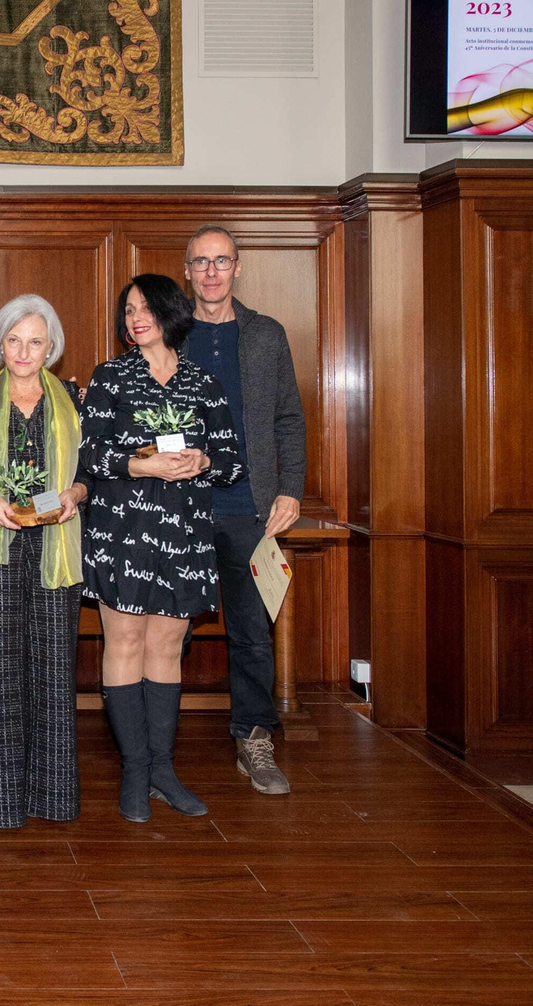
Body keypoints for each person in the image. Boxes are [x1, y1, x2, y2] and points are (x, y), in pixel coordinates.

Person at [81, 274, 244, 823]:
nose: (135, 317)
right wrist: (139, 464)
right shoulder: (110, 378)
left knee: (167, 647)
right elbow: (87, 458)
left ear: (171, 312)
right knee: (124, 640)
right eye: (128, 309)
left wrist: (204, 462)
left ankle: (163, 770)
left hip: (184, 530)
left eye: (146, 307)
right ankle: (134, 770)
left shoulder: (204, 383)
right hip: (120, 527)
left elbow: (232, 461)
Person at [0, 296, 89, 827]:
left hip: (57, 545)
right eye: (14, 340)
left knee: (55, 668)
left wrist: (75, 493)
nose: (24, 350)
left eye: (35, 341)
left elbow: (92, 471)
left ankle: (54, 797)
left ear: (50, 348)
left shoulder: (74, 399)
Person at [181, 225, 307, 795]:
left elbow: (288, 419)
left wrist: (291, 488)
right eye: (201, 262)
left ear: (238, 268)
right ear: (187, 271)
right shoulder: (167, 332)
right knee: (166, 629)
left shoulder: (265, 335)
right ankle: (152, 747)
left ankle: (254, 737)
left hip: (248, 509)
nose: (211, 272)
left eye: (221, 261)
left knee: (252, 632)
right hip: (175, 509)